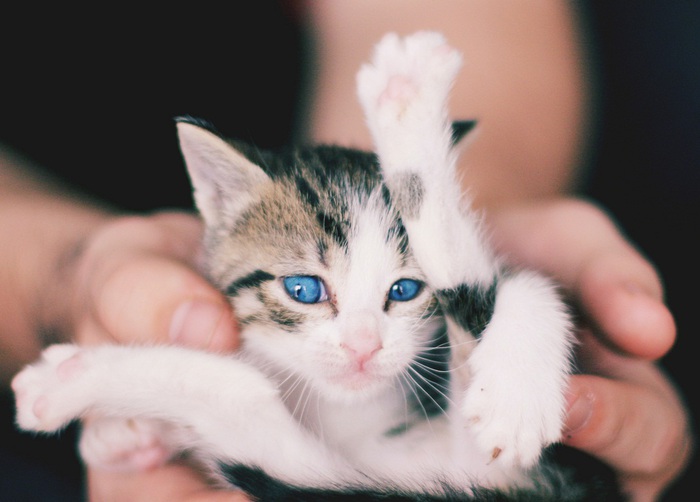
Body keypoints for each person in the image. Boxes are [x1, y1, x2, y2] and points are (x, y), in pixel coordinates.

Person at [0, 2, 693, 501]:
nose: (363, 343)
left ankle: (423, 175)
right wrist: (64, 282)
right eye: (306, 290)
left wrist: (495, 217)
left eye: (401, 294)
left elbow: (504, 300)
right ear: (217, 207)